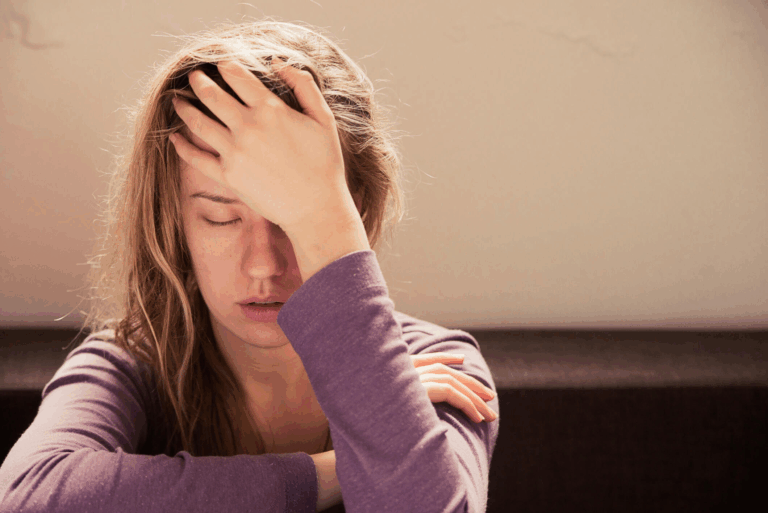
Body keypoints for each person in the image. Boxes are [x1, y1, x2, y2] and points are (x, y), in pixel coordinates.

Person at [0, 17, 499, 512]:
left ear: (356, 213)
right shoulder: (134, 364)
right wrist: (340, 467)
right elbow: (28, 498)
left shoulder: (438, 364)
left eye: (291, 218)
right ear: (176, 223)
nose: (263, 265)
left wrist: (325, 219)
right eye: (220, 217)